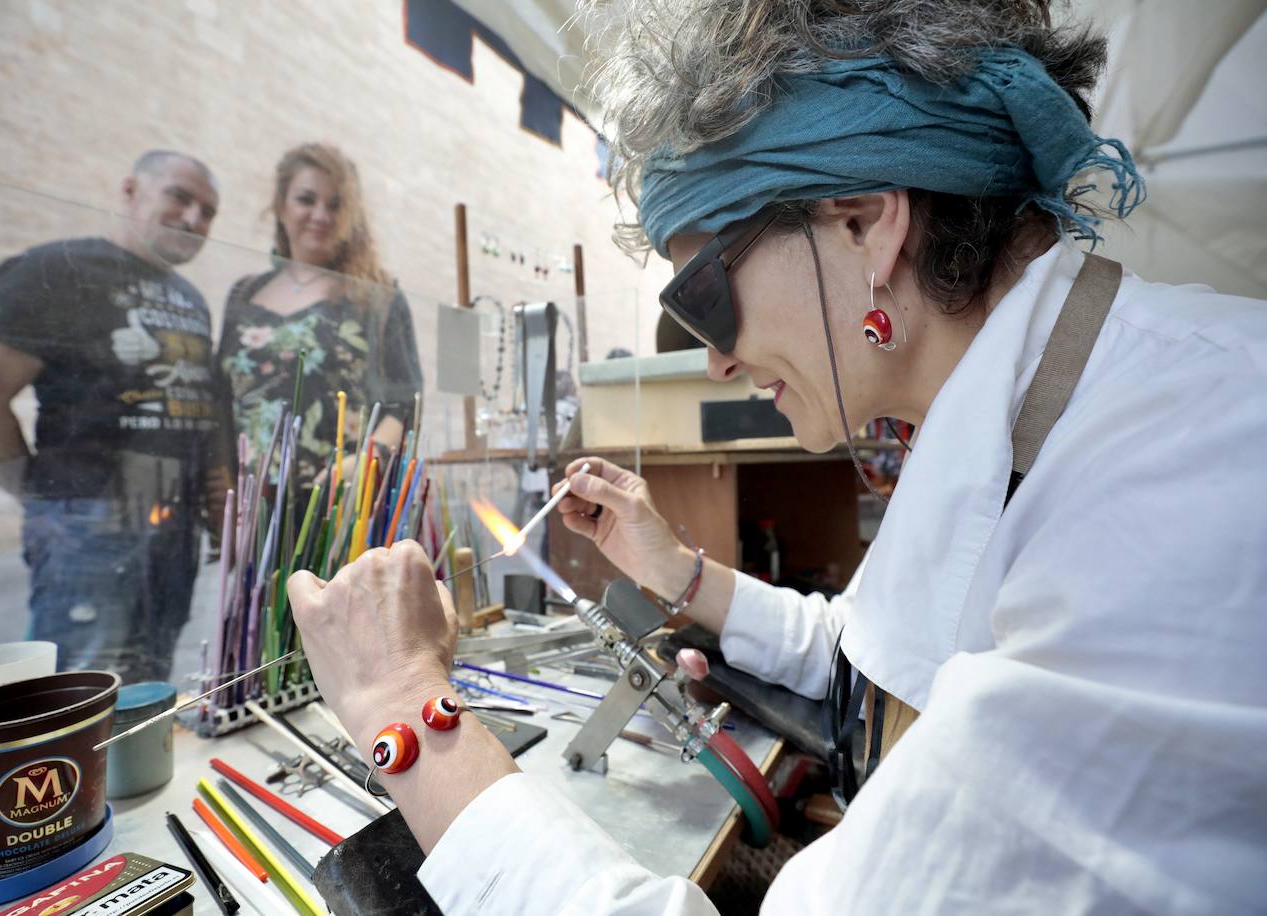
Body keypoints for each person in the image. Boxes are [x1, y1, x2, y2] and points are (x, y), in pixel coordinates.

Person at [288, 2, 1267, 913]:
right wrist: (682, 573)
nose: (712, 355)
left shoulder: (1192, 467)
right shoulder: (1042, 415)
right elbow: (880, 648)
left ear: (863, 221)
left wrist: (406, 712)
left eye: (702, 297)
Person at [0, 150, 230, 683]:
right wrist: (47, 498)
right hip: (89, 527)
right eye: (180, 196)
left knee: (149, 687)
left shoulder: (191, 299)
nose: (195, 219)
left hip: (175, 531)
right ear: (131, 190)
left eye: (208, 211)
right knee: (80, 697)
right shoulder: (57, 268)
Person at [217, 143, 421, 494]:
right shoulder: (244, 294)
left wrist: (367, 462)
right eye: (306, 200)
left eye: (335, 204)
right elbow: (221, 399)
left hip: (339, 501)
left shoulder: (376, 295)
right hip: (253, 501)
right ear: (281, 205)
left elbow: (405, 404)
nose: (321, 215)